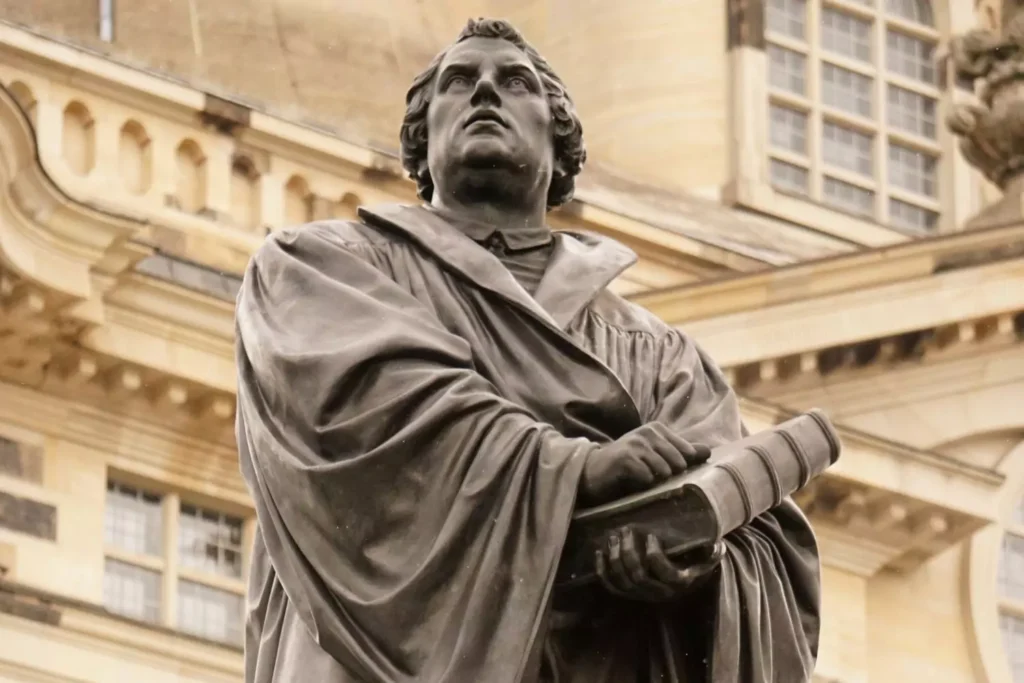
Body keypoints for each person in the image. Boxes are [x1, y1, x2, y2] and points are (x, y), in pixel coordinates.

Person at [235, 17, 820, 683]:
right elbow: (379, 411)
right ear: (422, 147)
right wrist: (577, 469)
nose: (486, 91)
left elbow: (757, 542)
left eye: (515, 82)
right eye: (459, 82)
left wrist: (695, 567)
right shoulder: (316, 267)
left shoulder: (664, 355)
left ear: (560, 143)